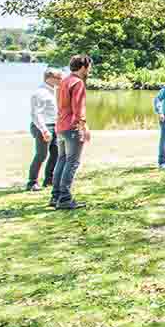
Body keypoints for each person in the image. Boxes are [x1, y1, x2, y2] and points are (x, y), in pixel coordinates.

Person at [51, 54, 92, 210]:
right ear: (83, 67)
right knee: (72, 162)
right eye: (89, 67)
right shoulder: (77, 83)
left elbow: (61, 106)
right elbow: (78, 108)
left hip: (60, 126)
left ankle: (55, 196)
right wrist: (83, 127)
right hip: (71, 128)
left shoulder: (64, 81)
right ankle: (65, 198)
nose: (90, 70)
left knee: (62, 160)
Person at [26, 68, 63, 191]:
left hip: (54, 125)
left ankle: (49, 180)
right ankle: (32, 182)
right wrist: (44, 130)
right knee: (41, 154)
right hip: (43, 126)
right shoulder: (40, 93)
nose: (61, 80)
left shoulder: (53, 91)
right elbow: (36, 114)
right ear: (50, 78)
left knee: (56, 154)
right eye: (59, 78)